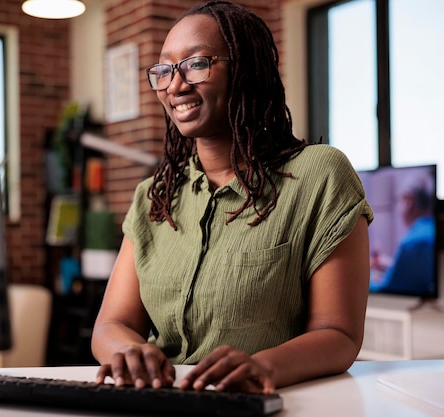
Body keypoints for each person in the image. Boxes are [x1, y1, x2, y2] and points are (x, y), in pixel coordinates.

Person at [91, 1, 373, 394]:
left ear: (246, 70)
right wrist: (131, 352)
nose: (175, 85)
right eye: (164, 70)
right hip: (162, 403)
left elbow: (339, 333)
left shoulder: (319, 176)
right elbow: (111, 325)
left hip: (271, 403)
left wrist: (261, 367)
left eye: (195, 64)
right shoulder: (154, 197)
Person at [370, 174, 436, 295]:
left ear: (408, 201)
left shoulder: (411, 243)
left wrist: (364, 273)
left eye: (399, 200)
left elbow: (385, 289)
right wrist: (391, 264)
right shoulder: (431, 231)